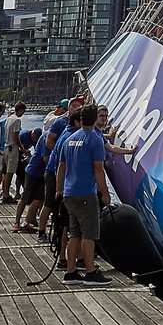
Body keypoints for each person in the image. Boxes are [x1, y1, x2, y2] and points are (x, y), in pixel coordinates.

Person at [47, 103, 112, 281]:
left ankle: (71, 271)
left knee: (74, 233)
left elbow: (61, 166)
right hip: (85, 193)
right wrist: (105, 193)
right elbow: (98, 170)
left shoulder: (69, 139)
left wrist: (59, 189)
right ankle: (90, 272)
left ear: (81, 119)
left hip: (69, 192)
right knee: (89, 234)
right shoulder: (95, 140)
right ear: (94, 119)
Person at [14, 122, 53, 233]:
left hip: (40, 172)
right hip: (34, 171)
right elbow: (46, 159)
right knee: (26, 196)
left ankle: (29, 220)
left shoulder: (44, 137)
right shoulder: (46, 138)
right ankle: (17, 222)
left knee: (39, 198)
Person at [0, 100, 26, 203]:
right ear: (20, 110)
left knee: (6, 172)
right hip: (12, 148)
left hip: (6, 147)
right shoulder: (16, 120)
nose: (23, 114)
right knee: (10, 172)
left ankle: (4, 192)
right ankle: (6, 195)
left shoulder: (8, 119)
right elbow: (16, 136)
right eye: (23, 111)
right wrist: (22, 148)